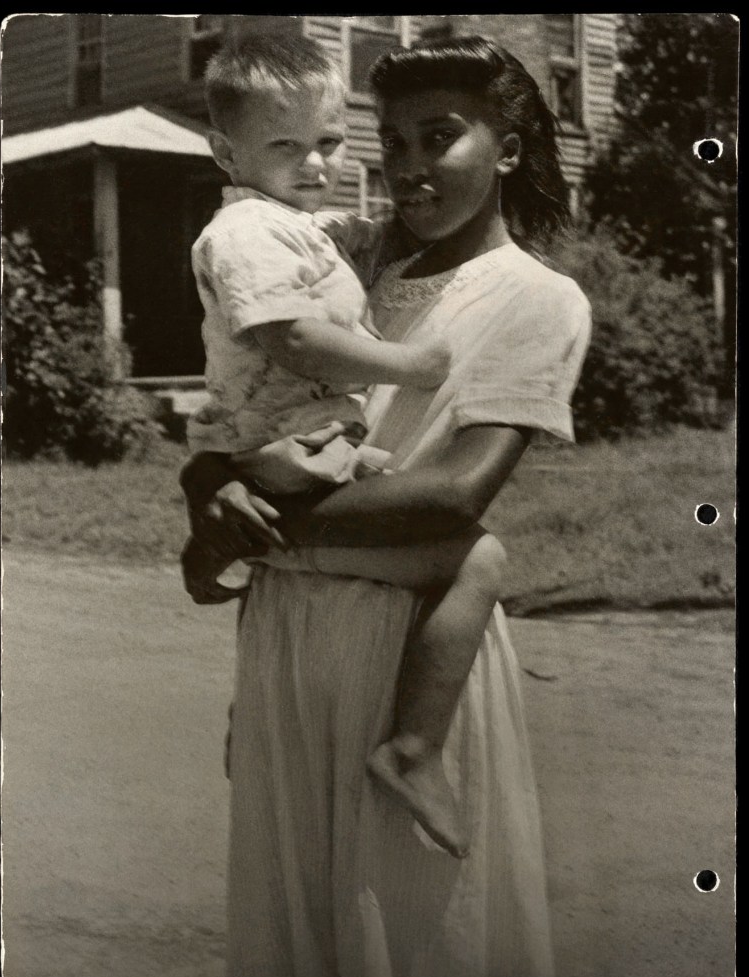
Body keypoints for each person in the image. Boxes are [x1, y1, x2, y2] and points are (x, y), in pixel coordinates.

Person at [181, 35, 592, 977]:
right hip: (286, 639)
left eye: (439, 137)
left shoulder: (538, 299)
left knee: (412, 947)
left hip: (409, 644)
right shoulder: (337, 256)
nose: (406, 165)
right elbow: (246, 389)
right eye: (393, 140)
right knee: (297, 933)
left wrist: (264, 525)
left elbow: (455, 494)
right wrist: (209, 487)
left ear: (511, 150)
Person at [183, 33, 517, 858]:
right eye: (285, 147)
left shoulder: (288, 223)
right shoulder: (244, 235)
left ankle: (247, 702)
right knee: (475, 560)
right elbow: (294, 339)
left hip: (295, 438)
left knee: (293, 552)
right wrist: (410, 361)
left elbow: (358, 244)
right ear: (226, 152)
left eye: (330, 142)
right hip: (287, 443)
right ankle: (413, 749)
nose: (316, 165)